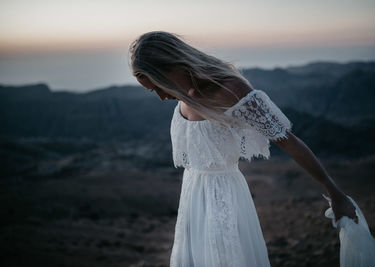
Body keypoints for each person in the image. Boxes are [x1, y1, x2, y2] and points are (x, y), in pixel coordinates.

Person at [128, 31, 358, 267]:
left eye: (157, 85)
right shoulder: (183, 96)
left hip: (224, 200)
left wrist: (334, 192)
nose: (160, 96)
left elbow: (287, 140)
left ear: (171, 67)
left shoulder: (230, 90)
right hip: (192, 202)